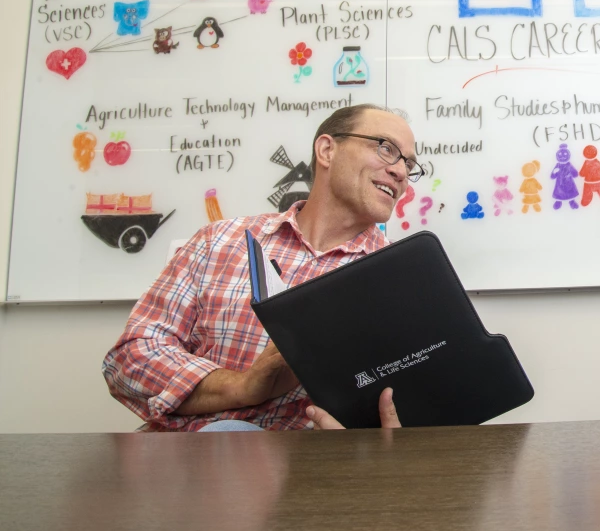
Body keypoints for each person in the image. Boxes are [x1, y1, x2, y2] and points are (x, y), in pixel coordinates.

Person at [102, 104, 422, 431]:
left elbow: (414, 404)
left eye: (409, 164)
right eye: (386, 149)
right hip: (185, 461)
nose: (401, 173)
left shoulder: (403, 285)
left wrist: (373, 443)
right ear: (327, 150)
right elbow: (129, 359)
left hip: (310, 473)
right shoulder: (218, 241)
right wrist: (240, 387)